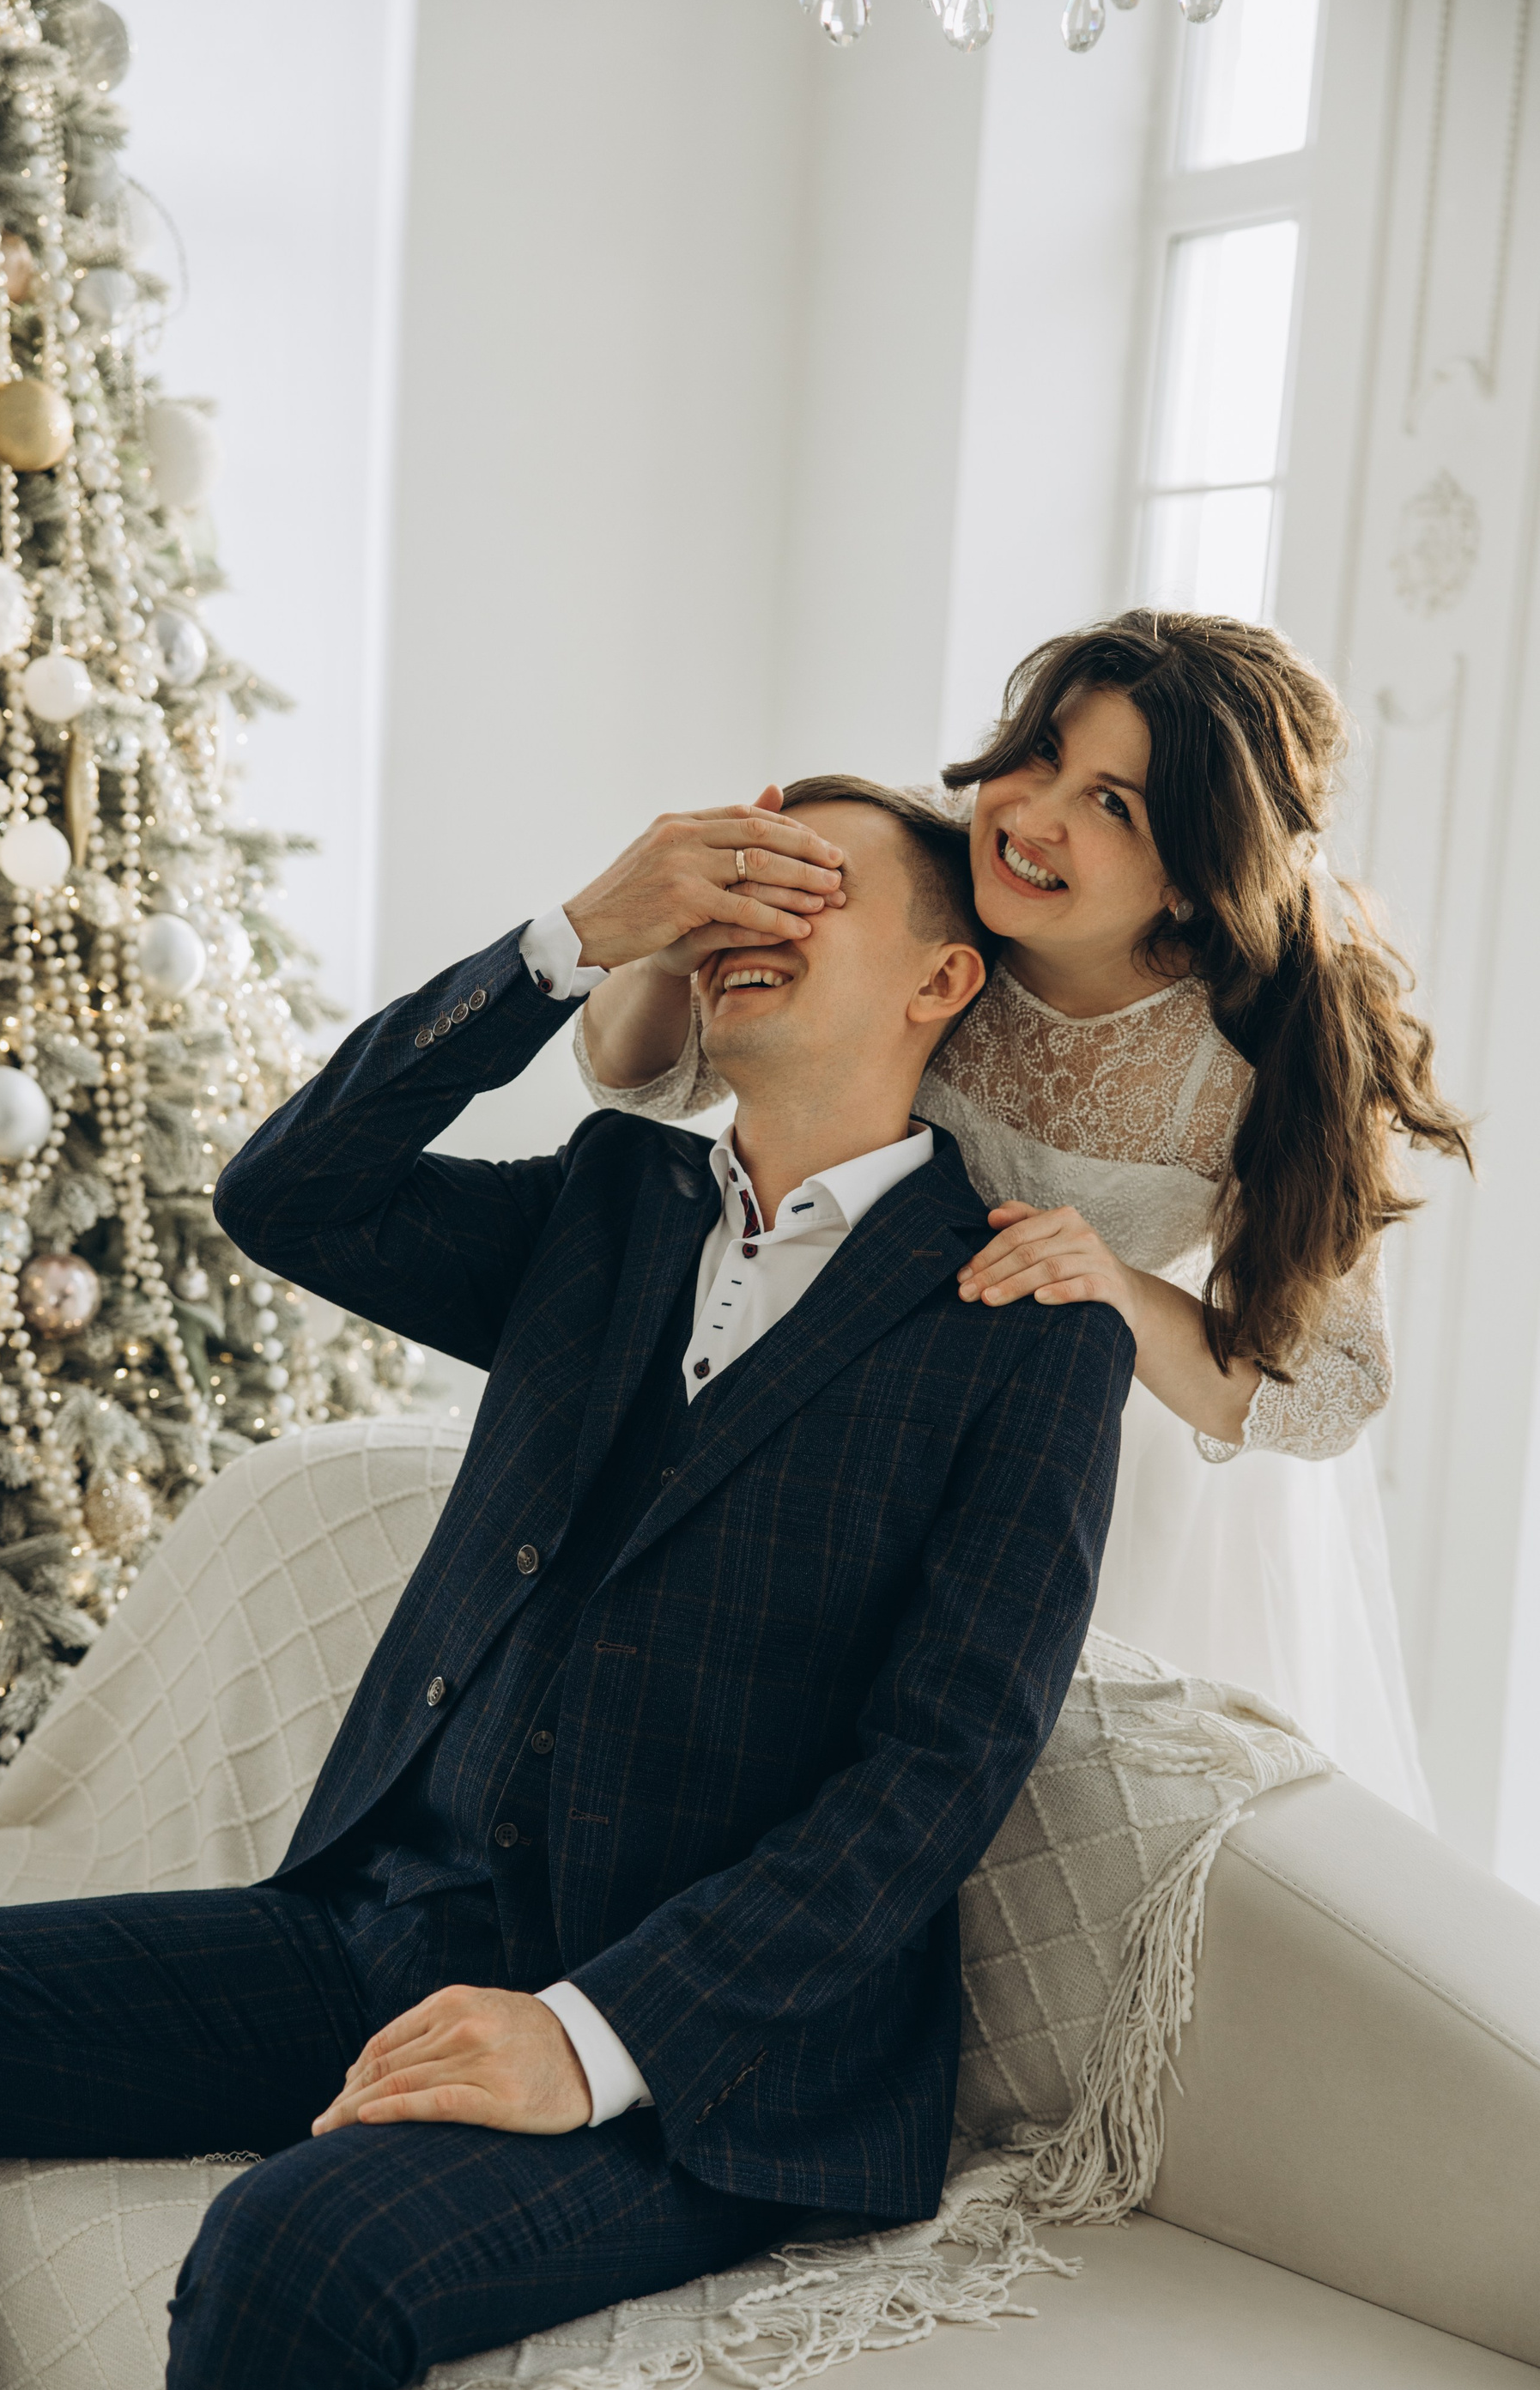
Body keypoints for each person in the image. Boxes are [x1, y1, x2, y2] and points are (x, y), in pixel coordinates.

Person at [0, 791, 1134, 2390]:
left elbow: (934, 1780)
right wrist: (576, 939)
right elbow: (286, 1195)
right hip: (370, 1932)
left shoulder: (1027, 1330)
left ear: (942, 980)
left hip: (701, 2059)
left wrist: (587, 2037)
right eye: (734, 883)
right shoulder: (611, 1199)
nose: (751, 918)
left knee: (292, 2252)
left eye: (813, 889)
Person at [575, 612, 1474, 1820]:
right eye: (1041, 753)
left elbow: (1331, 1392)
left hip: (1071, 1465)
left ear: (1196, 872)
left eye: (1114, 805)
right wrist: (661, 946)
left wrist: (1116, 1287)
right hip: (829, 1382)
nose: (1034, 817)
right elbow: (646, 1081)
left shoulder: (1275, 1052)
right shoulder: (911, 866)